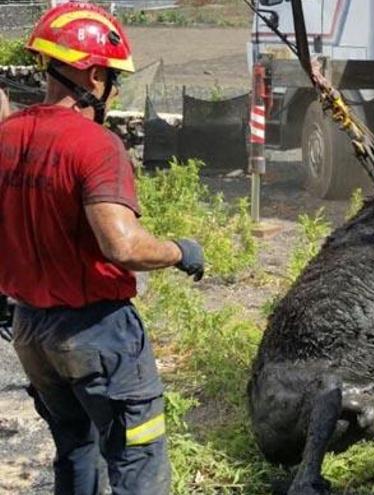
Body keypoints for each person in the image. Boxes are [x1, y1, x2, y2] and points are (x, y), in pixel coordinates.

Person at [0, 4, 205, 494]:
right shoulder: (95, 145)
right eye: (112, 77)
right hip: (98, 332)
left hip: (31, 331)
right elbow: (122, 244)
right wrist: (180, 250)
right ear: (93, 76)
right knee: (138, 458)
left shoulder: (6, 136)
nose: (113, 88)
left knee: (75, 449)